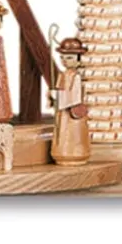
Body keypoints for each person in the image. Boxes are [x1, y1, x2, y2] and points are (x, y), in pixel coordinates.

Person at [49, 35, 91, 167]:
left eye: (69, 58)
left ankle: (75, 153)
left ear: (78, 59)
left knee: (73, 134)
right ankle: (60, 153)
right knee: (61, 132)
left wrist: (58, 96)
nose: (65, 61)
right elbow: (58, 91)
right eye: (62, 58)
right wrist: (52, 96)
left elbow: (75, 98)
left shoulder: (76, 77)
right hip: (62, 115)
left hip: (72, 115)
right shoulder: (62, 75)